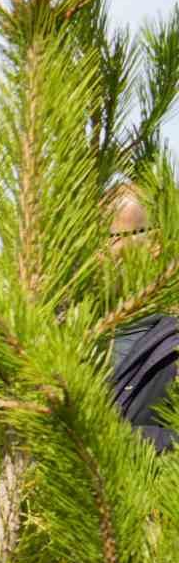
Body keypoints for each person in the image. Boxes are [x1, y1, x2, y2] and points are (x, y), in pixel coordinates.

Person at [107, 186, 176, 449]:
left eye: (111, 236)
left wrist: (114, 441)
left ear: (155, 244)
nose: (99, 251)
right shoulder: (59, 323)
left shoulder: (171, 343)